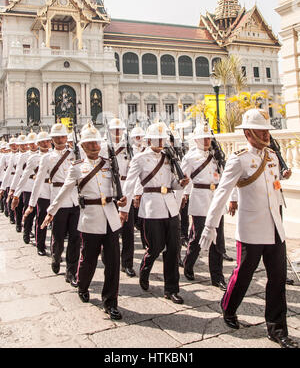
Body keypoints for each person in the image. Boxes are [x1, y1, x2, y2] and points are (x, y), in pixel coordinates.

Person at [200, 108, 298, 349]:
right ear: (248, 133)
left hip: (274, 228)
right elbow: (223, 192)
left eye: (267, 130)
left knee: (277, 279)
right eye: (261, 130)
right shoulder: (239, 159)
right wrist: (210, 226)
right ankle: (229, 306)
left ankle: (277, 329)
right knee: (243, 274)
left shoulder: (273, 156)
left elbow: (273, 190)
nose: (266, 135)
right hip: (251, 228)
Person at [42, 124, 126, 320]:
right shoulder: (77, 167)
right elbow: (64, 191)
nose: (95, 146)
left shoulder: (109, 163)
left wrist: (123, 202)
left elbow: (118, 188)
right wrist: (51, 211)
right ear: (84, 146)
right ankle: (83, 284)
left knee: (113, 263)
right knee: (88, 259)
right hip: (90, 218)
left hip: (111, 218)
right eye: (90, 144)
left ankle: (110, 302)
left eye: (96, 143)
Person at [119, 122, 189, 304]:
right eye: (157, 139)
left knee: (173, 250)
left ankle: (171, 289)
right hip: (151, 207)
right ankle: (145, 267)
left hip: (170, 207)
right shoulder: (139, 159)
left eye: (162, 139)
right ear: (149, 140)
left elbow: (172, 182)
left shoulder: (169, 157)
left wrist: (180, 184)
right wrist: (124, 210)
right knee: (155, 247)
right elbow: (129, 184)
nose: (160, 142)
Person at [23, 123, 80, 285]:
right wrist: (31, 204)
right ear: (52, 139)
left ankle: (71, 271)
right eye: (56, 137)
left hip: (75, 200)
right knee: (59, 237)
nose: (60, 140)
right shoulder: (47, 158)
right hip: (58, 201)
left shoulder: (75, 154)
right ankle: (56, 257)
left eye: (62, 136)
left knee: (76, 238)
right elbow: (39, 182)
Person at [179, 121, 227, 290]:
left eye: (208, 138)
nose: (206, 141)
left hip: (215, 199)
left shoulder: (217, 155)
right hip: (199, 198)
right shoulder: (190, 157)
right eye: (203, 138)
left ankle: (217, 276)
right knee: (199, 235)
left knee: (217, 239)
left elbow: (225, 177)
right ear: (196, 140)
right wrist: (184, 195)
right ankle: (189, 263)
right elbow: (184, 178)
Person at [13, 130, 52, 255]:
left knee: (55, 221)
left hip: (54, 190)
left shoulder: (55, 155)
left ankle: (55, 248)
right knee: (39, 216)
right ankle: (39, 243)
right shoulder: (32, 158)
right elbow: (23, 175)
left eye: (47, 141)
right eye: (42, 142)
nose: (45, 144)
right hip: (37, 189)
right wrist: (15, 194)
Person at [107, 118, 136, 277]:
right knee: (110, 229)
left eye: (120, 130)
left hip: (126, 190)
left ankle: (127, 263)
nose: (117, 133)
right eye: (114, 130)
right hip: (111, 190)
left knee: (128, 230)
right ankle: (108, 258)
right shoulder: (105, 148)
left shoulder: (129, 148)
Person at [10, 132, 37, 244]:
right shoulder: (24, 156)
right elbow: (18, 173)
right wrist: (14, 190)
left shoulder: (44, 155)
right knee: (28, 209)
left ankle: (38, 234)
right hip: (28, 185)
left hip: (40, 186)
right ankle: (26, 230)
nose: (30, 146)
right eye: (28, 144)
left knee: (39, 212)